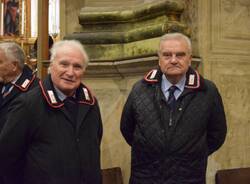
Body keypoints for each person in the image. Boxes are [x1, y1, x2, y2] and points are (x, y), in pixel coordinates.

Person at [120, 32, 227, 184]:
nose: (173, 60)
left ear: (189, 59)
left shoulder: (208, 91)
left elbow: (217, 135)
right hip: (146, 177)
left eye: (180, 55)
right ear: (159, 59)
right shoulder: (140, 89)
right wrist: (154, 151)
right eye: (167, 55)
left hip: (189, 178)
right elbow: (127, 128)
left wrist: (191, 153)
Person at [0, 40, 103, 184]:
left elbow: (94, 146)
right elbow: (6, 157)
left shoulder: (91, 103)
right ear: (51, 66)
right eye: (64, 64)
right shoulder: (28, 105)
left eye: (77, 66)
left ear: (84, 71)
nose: (70, 72)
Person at [0, 42, 40, 184]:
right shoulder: (4, 83)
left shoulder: (35, 90)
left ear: (14, 66)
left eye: (0, 62)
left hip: (21, 170)